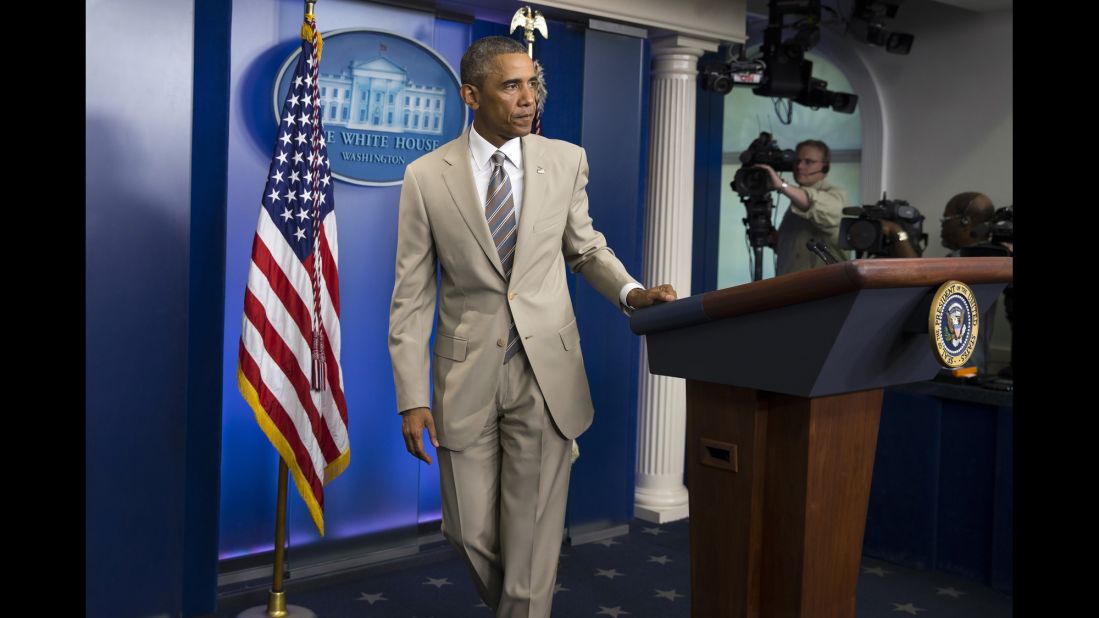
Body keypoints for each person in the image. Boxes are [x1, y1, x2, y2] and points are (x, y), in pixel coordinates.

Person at [387, 36, 676, 618]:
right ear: (472, 95)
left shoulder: (565, 159)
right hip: (463, 373)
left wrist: (631, 291)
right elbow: (412, 294)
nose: (527, 98)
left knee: (534, 539)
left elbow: (585, 247)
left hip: (547, 372)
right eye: (510, 85)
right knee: (468, 532)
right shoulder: (425, 176)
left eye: (532, 83)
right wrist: (411, 396)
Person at [755, 139, 849, 275]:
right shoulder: (796, 199)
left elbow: (814, 204)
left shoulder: (837, 195)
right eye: (797, 161)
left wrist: (782, 185)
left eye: (808, 162)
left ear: (825, 167)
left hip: (824, 290)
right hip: (792, 289)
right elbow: (792, 249)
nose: (799, 166)